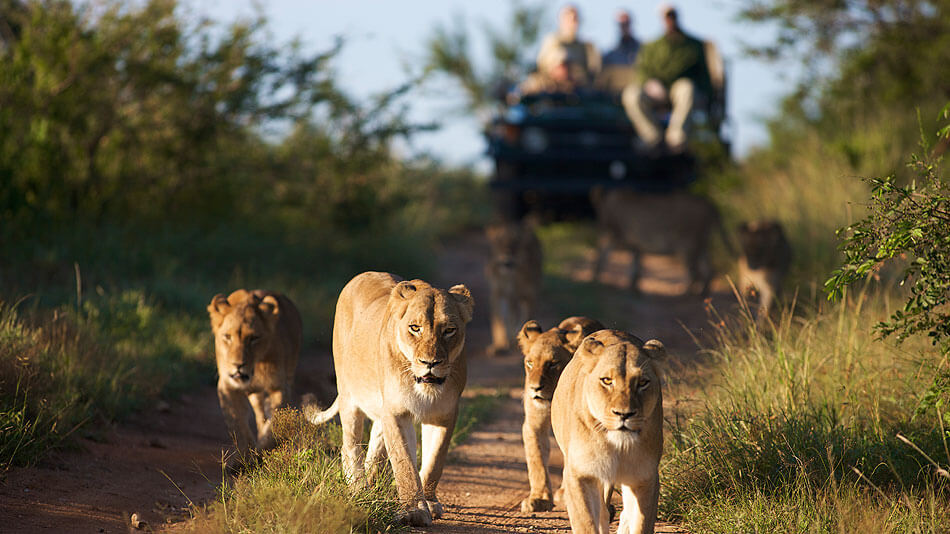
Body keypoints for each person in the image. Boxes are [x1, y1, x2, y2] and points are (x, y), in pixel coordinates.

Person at [621, 3, 712, 152]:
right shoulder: (652, 46)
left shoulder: (694, 45)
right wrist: (650, 84)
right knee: (631, 94)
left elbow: (704, 77)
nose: (670, 20)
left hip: (679, 92)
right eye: (667, 17)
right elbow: (643, 71)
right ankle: (651, 137)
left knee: (686, 87)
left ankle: (677, 139)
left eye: (672, 16)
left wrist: (706, 95)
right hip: (656, 92)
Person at [536, 4, 600, 88]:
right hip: (552, 89)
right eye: (568, 19)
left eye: (575, 19)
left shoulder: (587, 47)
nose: (572, 23)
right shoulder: (552, 41)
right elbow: (542, 65)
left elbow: (594, 70)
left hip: (579, 91)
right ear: (561, 20)